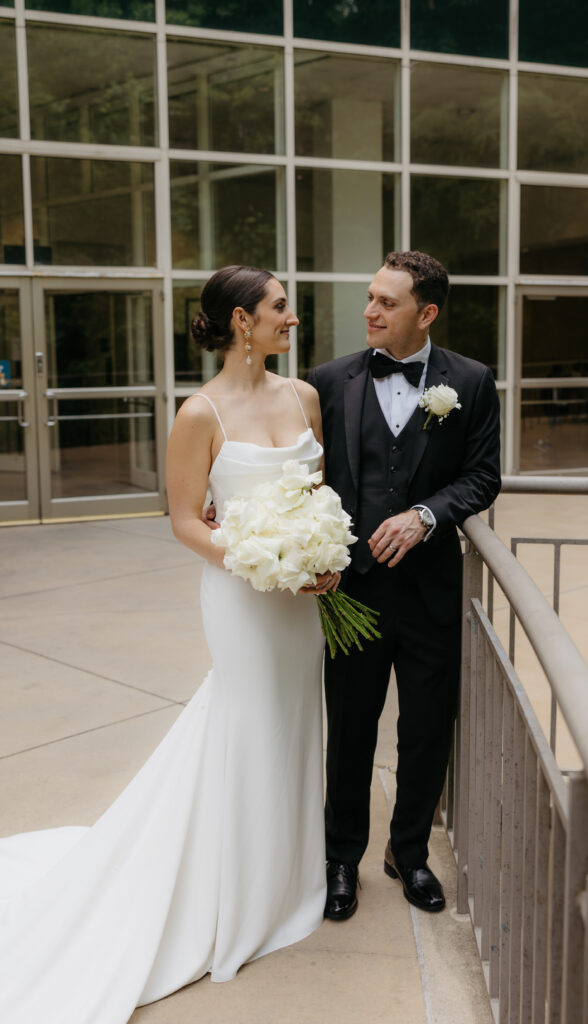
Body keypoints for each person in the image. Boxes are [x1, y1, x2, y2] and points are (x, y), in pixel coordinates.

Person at [0, 266, 337, 1024]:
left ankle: (286, 880)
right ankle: (235, 893)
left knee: (290, 727)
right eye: (280, 307)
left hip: (301, 603)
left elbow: (318, 494)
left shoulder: (305, 396)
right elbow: (186, 520)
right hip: (244, 598)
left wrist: (317, 561)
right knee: (245, 725)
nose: (292, 316)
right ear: (242, 322)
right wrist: (265, 565)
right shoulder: (200, 412)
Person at [307, 251, 501, 920]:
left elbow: (481, 476)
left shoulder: (470, 382)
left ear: (426, 313)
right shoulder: (327, 382)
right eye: (369, 297)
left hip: (430, 592)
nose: (369, 311)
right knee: (350, 733)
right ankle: (341, 861)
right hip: (351, 593)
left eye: (386, 303)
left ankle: (408, 853)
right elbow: (300, 470)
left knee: (424, 733)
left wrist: (426, 516)